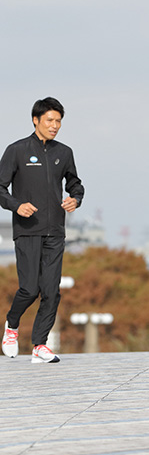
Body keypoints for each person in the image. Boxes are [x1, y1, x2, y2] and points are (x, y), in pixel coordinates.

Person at [1, 97, 84, 363]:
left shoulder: (64, 152)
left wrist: (75, 198)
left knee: (51, 291)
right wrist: (16, 206)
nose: (55, 125)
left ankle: (39, 345)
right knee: (29, 288)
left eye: (58, 121)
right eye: (50, 120)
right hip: (27, 230)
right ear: (35, 120)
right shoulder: (17, 150)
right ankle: (12, 325)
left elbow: (75, 183)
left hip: (55, 231)